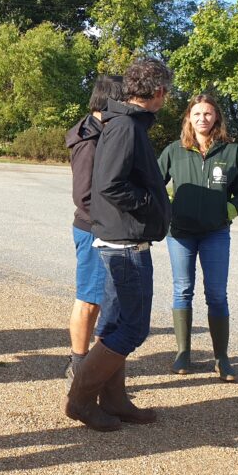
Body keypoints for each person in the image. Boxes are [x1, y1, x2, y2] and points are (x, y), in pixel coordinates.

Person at [65, 57, 172, 432]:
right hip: (125, 243)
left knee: (113, 324)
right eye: (167, 93)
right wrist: (150, 204)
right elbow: (110, 184)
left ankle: (114, 399)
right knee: (132, 329)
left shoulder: (124, 122)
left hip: (123, 240)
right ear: (159, 92)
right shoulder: (125, 125)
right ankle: (79, 401)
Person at [158, 94, 238, 381]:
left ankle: (221, 358)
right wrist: (167, 210)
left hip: (216, 233)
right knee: (182, 290)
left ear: (216, 118)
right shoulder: (174, 151)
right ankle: (183, 354)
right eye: (197, 114)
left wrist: (230, 209)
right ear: (189, 118)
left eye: (208, 114)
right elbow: (153, 182)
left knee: (216, 294)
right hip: (180, 234)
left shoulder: (232, 152)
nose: (203, 119)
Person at [64, 77, 124, 387]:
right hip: (93, 230)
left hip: (101, 229)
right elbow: (83, 195)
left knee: (99, 301)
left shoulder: (102, 131)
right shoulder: (89, 139)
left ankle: (88, 366)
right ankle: (79, 366)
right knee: (89, 301)